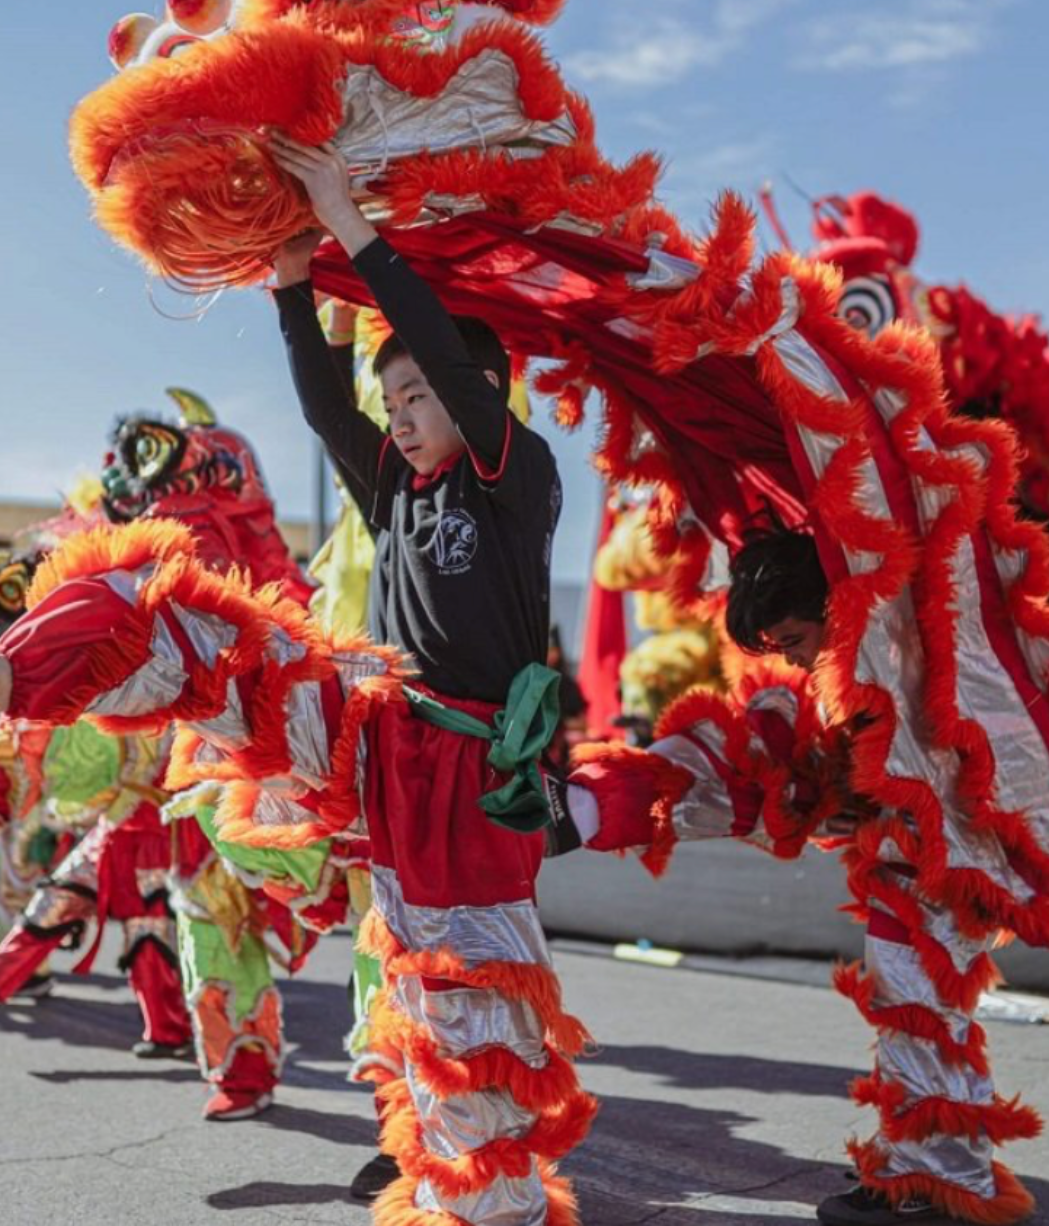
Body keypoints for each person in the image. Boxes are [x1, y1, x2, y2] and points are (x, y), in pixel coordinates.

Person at [267, 135, 594, 1224]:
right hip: (396, 760)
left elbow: (448, 364)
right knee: (408, 965)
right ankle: (437, 1163)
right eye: (394, 403)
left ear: (483, 394)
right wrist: (289, 272)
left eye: (413, 398)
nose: (398, 420)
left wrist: (350, 224)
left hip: (481, 767)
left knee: (481, 980)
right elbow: (325, 409)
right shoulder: (397, 491)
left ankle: (498, 1195)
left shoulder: (516, 475)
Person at [550, 526, 1043, 1226]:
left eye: (796, 638)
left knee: (924, 1008)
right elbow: (756, 748)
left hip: (953, 856)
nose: (799, 658)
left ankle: (941, 1182)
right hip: (907, 860)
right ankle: (917, 1169)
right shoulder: (840, 675)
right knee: (909, 1009)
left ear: (837, 608)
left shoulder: (919, 644)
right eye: (781, 648)